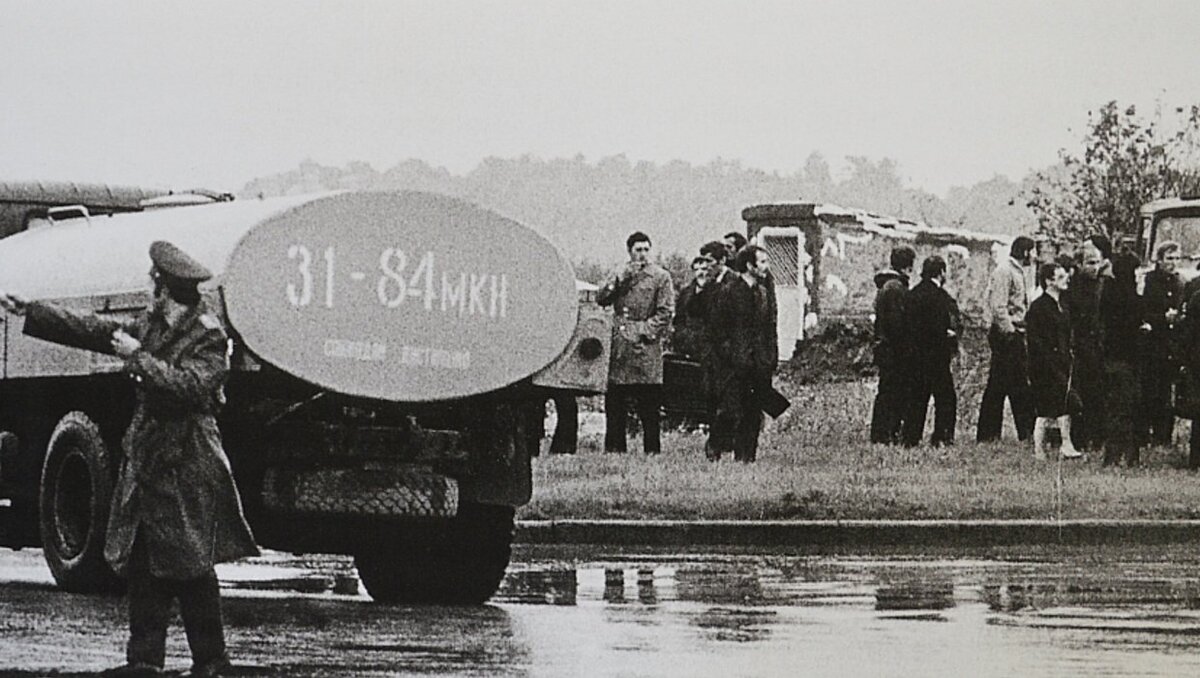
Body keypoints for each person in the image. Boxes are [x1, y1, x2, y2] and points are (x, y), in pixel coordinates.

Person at [0, 241, 258, 678]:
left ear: (166, 289)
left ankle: (213, 662)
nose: (149, 289)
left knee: (192, 565)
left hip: (188, 460)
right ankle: (144, 663)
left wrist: (136, 359)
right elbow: (98, 332)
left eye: (153, 283)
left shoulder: (209, 336)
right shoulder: (157, 323)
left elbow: (190, 389)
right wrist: (33, 312)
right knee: (143, 562)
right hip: (150, 458)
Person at [597, 231, 675, 454]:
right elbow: (602, 298)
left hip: (645, 348)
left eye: (646, 249)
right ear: (629, 252)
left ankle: (652, 450)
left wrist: (643, 331)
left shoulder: (661, 277)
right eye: (638, 250)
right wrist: (619, 279)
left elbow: (665, 312)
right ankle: (614, 449)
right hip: (620, 347)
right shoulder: (620, 273)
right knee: (615, 403)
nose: (643, 255)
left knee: (649, 404)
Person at [707, 245, 777, 462]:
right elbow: (718, 330)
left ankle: (746, 457)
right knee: (730, 411)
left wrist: (770, 357)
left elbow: (770, 328)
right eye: (763, 261)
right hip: (734, 365)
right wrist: (731, 355)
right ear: (750, 265)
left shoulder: (763, 293)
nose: (767, 266)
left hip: (759, 363)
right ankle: (715, 443)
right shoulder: (728, 292)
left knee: (754, 412)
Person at [976, 236, 1036, 443]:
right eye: (1033, 251)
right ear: (1026, 252)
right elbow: (998, 306)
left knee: (1009, 384)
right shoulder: (1005, 271)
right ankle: (998, 433)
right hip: (1007, 335)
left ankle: (1011, 432)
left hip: (1014, 332)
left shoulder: (1017, 271)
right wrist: (1010, 332)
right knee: (1005, 385)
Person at [901, 255, 961, 447]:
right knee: (945, 398)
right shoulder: (941, 297)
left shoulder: (912, 294)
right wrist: (950, 336)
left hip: (914, 356)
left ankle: (910, 438)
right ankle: (942, 437)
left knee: (917, 399)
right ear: (941, 272)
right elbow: (945, 326)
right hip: (937, 356)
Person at [1026, 262, 1083, 460]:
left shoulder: (1062, 305)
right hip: (1044, 365)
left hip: (1061, 362)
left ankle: (1064, 445)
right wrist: (1048, 362)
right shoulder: (1038, 307)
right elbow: (1036, 341)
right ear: (1049, 281)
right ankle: (1041, 450)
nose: (1066, 279)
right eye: (1060, 277)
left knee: (1061, 404)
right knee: (1047, 408)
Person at [1062, 238, 1110, 451]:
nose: (1094, 267)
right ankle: (1079, 438)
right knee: (1080, 393)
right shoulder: (1071, 289)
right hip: (1079, 346)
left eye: (1097, 262)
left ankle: (1098, 437)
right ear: (1079, 265)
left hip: (1099, 346)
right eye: (1089, 263)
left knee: (1099, 392)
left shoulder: (1104, 286)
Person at [1138, 240, 1185, 447]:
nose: (1173, 263)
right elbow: (1143, 311)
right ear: (1159, 259)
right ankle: (1146, 431)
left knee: (1167, 390)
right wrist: (1161, 318)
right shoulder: (1150, 280)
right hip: (1152, 341)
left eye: (1176, 258)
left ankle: (1163, 434)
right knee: (1151, 388)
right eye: (1169, 258)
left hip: (1171, 343)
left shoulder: (1179, 282)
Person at [1100, 249, 1144, 467]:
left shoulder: (1108, 294)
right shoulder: (1132, 299)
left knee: (1116, 408)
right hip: (1127, 359)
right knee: (1128, 407)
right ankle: (1127, 455)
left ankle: (1113, 455)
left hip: (1111, 358)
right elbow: (1134, 327)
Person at [869, 246, 915, 444]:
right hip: (894, 350)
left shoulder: (886, 287)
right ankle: (887, 434)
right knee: (894, 392)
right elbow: (897, 325)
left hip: (885, 347)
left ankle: (882, 434)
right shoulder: (896, 289)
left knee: (887, 391)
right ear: (908, 266)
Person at [671, 255, 710, 358]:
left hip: (707, 345)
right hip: (686, 343)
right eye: (696, 269)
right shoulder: (686, 293)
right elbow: (679, 318)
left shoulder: (715, 291)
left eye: (704, 269)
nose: (700, 273)